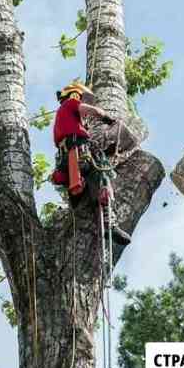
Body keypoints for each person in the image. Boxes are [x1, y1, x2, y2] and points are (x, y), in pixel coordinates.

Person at [52, 82, 131, 246]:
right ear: (76, 95)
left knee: (81, 183)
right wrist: (107, 118)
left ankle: (77, 200)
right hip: (78, 154)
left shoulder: (62, 118)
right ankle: (109, 222)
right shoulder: (71, 103)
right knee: (102, 176)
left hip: (65, 162)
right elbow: (92, 110)